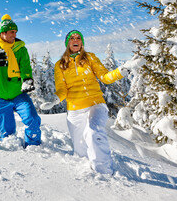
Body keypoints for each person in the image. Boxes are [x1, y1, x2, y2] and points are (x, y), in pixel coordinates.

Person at [53, 30, 133, 175]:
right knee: (81, 152)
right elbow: (62, 89)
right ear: (67, 43)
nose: (75, 40)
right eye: (72, 38)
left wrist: (121, 71)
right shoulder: (60, 65)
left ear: (82, 42)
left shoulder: (90, 58)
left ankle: (104, 171)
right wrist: (56, 98)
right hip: (74, 110)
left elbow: (105, 77)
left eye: (78, 38)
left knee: (93, 131)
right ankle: (88, 181)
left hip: (95, 104)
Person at [0, 14, 41, 147]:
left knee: (33, 120)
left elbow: (25, 67)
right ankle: (12, 153)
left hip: (18, 94)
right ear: (3, 33)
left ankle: (34, 147)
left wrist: (27, 79)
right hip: (0, 96)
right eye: (12, 32)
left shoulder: (21, 48)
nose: (15, 34)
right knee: (7, 135)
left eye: (15, 32)